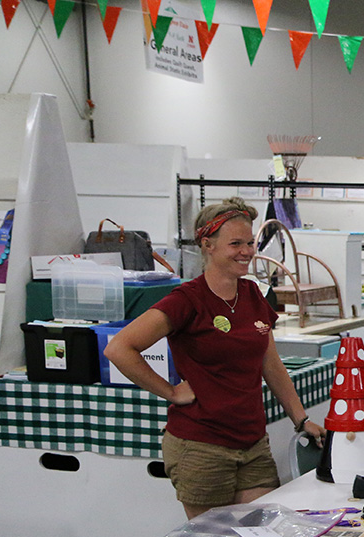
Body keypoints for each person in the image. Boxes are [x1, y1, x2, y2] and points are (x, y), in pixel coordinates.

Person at [104, 197, 327, 519]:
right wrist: (169, 391)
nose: (246, 251)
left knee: (260, 536)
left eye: (250, 242)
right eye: (235, 243)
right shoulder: (187, 300)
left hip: (252, 443)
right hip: (201, 447)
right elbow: (119, 348)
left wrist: (301, 419)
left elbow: (271, 364)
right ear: (207, 244)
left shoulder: (252, 295)